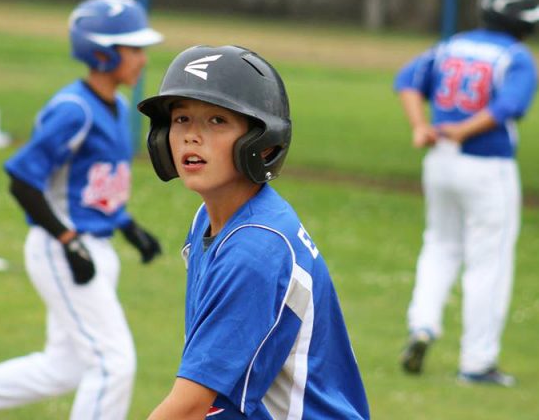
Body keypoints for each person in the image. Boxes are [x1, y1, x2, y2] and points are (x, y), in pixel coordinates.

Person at [0, 0, 164, 419]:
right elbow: (23, 179)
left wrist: (126, 225)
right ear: (102, 53)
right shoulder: (74, 109)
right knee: (113, 363)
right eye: (133, 48)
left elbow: (91, 186)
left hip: (91, 245)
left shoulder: (118, 107)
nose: (142, 59)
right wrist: (68, 241)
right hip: (62, 248)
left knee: (66, 367)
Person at [138, 45, 370, 419]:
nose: (192, 137)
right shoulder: (213, 220)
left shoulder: (256, 248)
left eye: (216, 121)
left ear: (262, 143)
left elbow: (188, 408)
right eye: (181, 119)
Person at [394, 0, 539, 387]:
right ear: (520, 22)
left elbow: (408, 79)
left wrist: (420, 127)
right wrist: (463, 130)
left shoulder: (454, 44)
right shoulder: (516, 56)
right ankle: (477, 362)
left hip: (440, 162)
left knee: (440, 246)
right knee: (489, 261)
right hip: (487, 167)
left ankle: (423, 325)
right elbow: (507, 106)